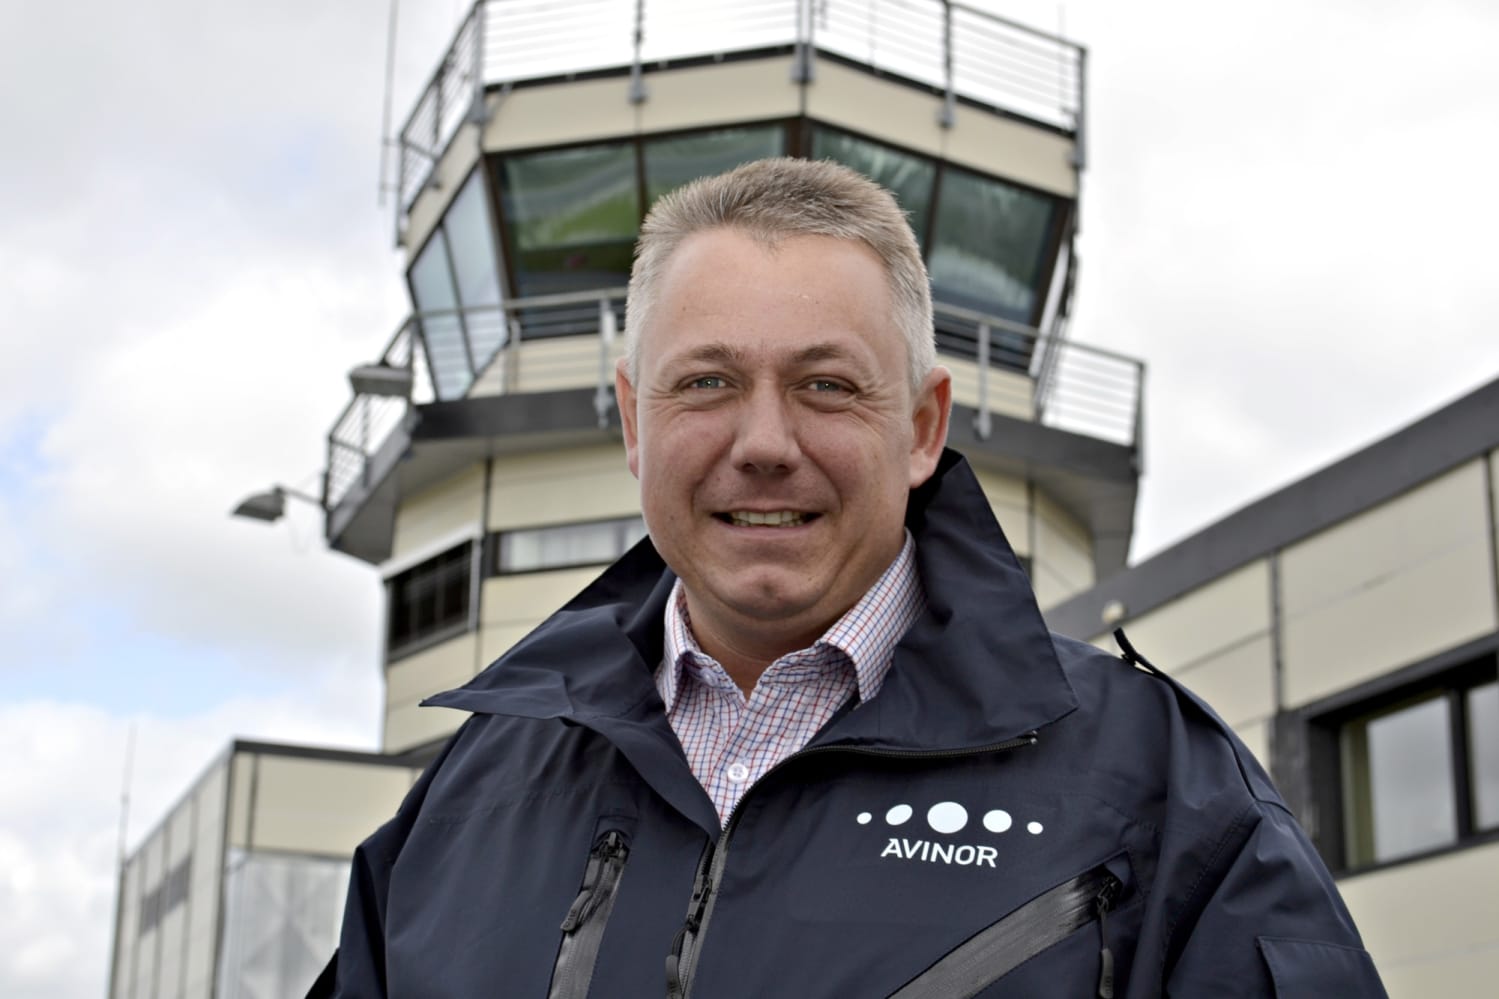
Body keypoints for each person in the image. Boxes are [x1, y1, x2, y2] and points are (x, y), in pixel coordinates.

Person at [318, 158, 1386, 997]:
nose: (763, 443)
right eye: (706, 381)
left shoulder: (1161, 791)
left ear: (920, 427)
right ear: (635, 422)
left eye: (826, 385)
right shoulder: (461, 803)